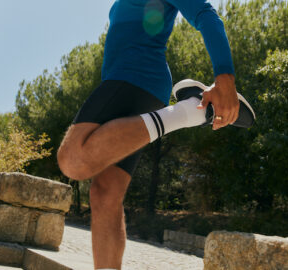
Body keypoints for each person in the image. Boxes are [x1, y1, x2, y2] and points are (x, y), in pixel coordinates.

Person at [57, 0, 255, 269]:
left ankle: (190, 111)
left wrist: (225, 79)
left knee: (73, 159)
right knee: (105, 195)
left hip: (135, 78)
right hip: (128, 84)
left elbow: (205, 14)